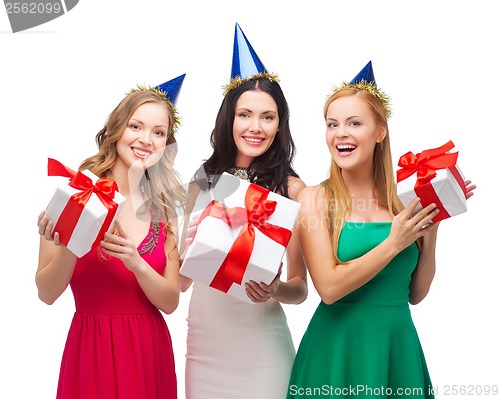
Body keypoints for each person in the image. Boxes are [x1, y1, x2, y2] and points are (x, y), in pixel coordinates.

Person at [287, 61, 476, 398]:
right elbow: (328, 289)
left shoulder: (403, 203)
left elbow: (415, 295)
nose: (340, 133)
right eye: (332, 124)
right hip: (336, 353)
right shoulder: (315, 200)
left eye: (354, 123)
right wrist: (393, 242)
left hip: (396, 348)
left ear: (380, 131)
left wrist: (431, 234)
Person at [36, 74, 187, 399]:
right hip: (92, 351)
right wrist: (70, 247)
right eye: (136, 126)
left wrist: (136, 263)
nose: (146, 139)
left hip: (149, 352)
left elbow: (171, 302)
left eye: (158, 132)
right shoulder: (76, 194)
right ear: (117, 129)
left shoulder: (163, 210)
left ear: (166, 144)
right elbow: (46, 293)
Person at [180, 23, 307, 399]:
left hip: (261, 347)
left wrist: (275, 289)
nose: (255, 127)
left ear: (280, 124)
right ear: (228, 118)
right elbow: (182, 281)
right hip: (204, 347)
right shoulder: (202, 179)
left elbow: (300, 289)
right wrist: (183, 253)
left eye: (267, 117)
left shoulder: (293, 190)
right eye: (244, 114)